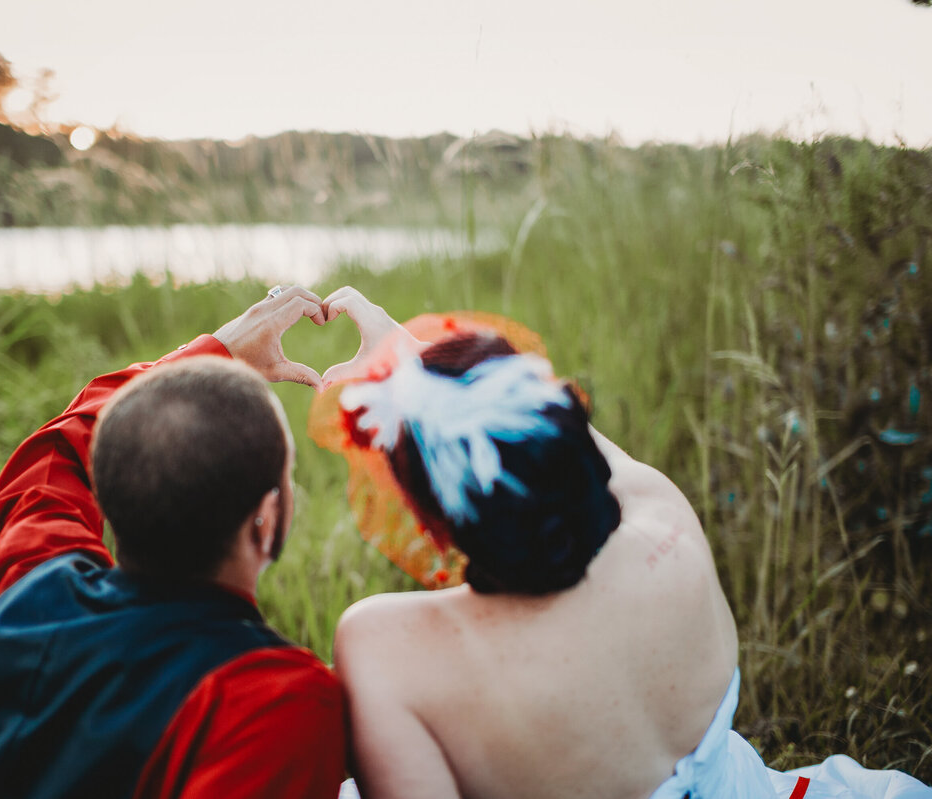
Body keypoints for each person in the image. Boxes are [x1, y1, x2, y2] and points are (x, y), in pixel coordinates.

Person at [314, 291, 932, 799]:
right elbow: (590, 453)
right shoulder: (666, 524)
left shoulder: (382, 646)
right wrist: (414, 356)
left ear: (434, 525)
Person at [0, 287, 346, 799]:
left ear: (113, 485)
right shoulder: (275, 701)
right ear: (265, 519)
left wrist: (216, 350)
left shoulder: (30, 594)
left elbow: (53, 454)